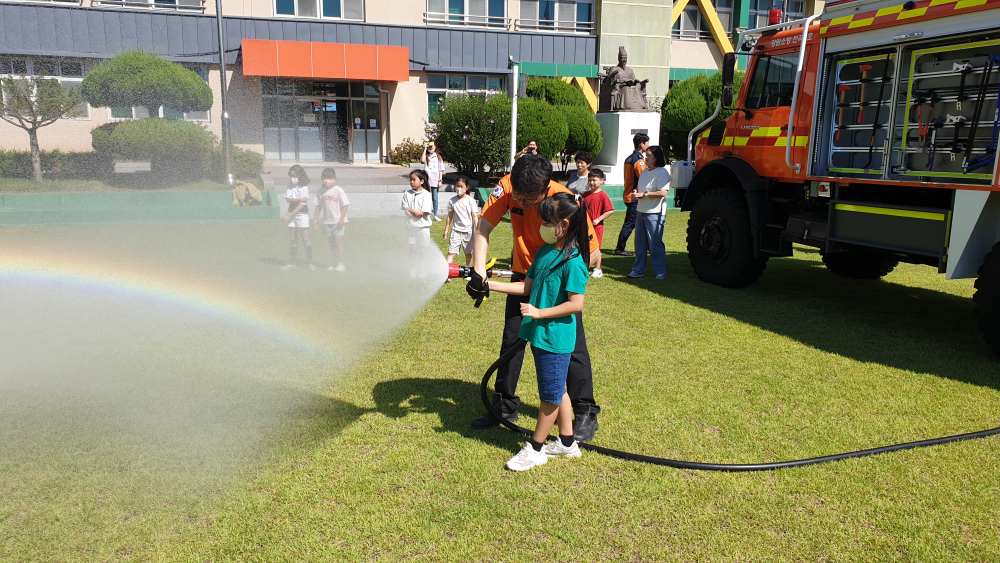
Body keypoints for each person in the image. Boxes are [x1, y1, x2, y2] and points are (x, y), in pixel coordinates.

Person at [465, 154, 603, 442]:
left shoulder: (565, 201)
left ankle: (585, 411)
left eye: (529, 201)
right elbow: (484, 227)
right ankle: (504, 405)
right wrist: (479, 272)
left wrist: (560, 278)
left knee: (571, 346)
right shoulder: (508, 186)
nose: (521, 204)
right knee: (512, 340)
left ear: (544, 189)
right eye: (518, 199)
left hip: (557, 282)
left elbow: (592, 253)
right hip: (523, 275)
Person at [488, 192, 590, 471]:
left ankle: (535, 449)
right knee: (557, 389)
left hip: (555, 338)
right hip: (540, 336)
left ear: (564, 224)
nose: (542, 226)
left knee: (550, 397)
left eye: (547, 222)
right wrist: (489, 285)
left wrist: (539, 313)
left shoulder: (574, 262)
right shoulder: (545, 252)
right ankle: (567, 442)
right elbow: (526, 287)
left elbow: (576, 304)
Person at [628, 145, 671, 280]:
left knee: (655, 243)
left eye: (649, 155)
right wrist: (637, 192)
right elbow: (641, 188)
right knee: (639, 243)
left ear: (656, 157)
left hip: (655, 212)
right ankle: (638, 270)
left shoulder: (662, 172)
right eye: (645, 155)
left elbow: (663, 192)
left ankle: (660, 271)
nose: (645, 157)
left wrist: (644, 194)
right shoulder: (645, 171)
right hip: (641, 211)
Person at [614, 133, 649, 257]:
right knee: (630, 223)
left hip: (629, 194)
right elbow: (644, 177)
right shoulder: (638, 160)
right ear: (642, 144)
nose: (648, 146)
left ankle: (648, 246)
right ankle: (620, 248)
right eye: (647, 143)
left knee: (641, 221)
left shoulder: (629, 158)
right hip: (634, 196)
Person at [313, 168, 350, 272]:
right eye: (324, 178)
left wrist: (342, 219)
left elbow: (345, 205)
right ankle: (335, 263)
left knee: (338, 244)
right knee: (332, 245)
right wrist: (315, 220)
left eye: (329, 178)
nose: (327, 181)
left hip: (337, 222)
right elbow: (318, 206)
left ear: (334, 178)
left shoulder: (338, 190)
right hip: (327, 222)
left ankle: (341, 264)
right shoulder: (321, 191)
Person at [401, 169, 434, 278]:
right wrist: (413, 211)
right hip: (410, 227)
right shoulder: (407, 193)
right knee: (413, 249)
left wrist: (414, 212)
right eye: (410, 180)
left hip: (423, 228)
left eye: (414, 179)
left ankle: (423, 270)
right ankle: (413, 269)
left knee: (423, 250)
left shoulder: (426, 195)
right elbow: (405, 208)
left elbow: (424, 212)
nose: (412, 182)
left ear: (422, 181)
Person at [581, 168, 614, 279]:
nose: (592, 182)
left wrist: (599, 219)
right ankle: (585, 267)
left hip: (597, 227)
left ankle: (597, 269)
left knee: (596, 247)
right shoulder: (585, 195)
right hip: (585, 227)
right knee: (585, 246)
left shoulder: (603, 195)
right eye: (590, 180)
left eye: (594, 180)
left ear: (601, 181)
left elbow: (610, 210)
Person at [442, 175, 479, 273]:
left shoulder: (471, 201)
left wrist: (478, 231)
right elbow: (450, 216)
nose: (459, 188)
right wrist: (446, 230)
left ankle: (468, 272)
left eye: (461, 186)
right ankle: (448, 273)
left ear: (467, 187)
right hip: (456, 231)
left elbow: (474, 216)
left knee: (468, 253)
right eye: (457, 186)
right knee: (451, 253)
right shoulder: (452, 201)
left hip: (468, 232)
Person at [281, 164, 314, 271]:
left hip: (301, 213)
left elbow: (302, 205)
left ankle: (310, 263)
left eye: (295, 175)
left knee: (305, 239)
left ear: (300, 175)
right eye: (291, 176)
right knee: (293, 239)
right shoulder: (289, 185)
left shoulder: (304, 187)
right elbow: (288, 199)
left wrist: (289, 216)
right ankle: (292, 263)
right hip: (291, 211)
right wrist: (299, 199)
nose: (293, 178)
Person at [420, 141, 446, 222]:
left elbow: (441, 170)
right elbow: (422, 161)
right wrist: (424, 149)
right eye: (429, 146)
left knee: (435, 198)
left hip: (435, 180)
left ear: (435, 147)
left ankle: (435, 214)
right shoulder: (426, 156)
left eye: (432, 146)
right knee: (425, 198)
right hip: (427, 180)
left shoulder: (438, 157)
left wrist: (440, 180)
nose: (431, 148)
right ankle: (425, 214)